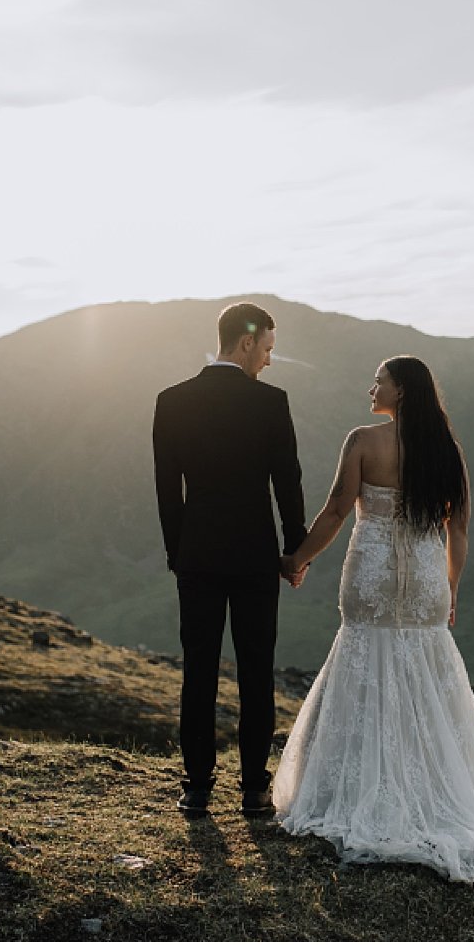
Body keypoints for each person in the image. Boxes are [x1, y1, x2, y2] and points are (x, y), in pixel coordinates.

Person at [272, 355, 474, 883]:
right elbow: (460, 528)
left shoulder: (363, 441)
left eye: (379, 380)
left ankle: (361, 792)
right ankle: (434, 792)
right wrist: (451, 589)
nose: (370, 386)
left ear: (400, 392)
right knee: (425, 677)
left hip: (371, 575)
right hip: (426, 579)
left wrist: (297, 559)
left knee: (364, 665)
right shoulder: (447, 452)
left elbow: (335, 509)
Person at [152, 302, 308, 818]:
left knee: (197, 670)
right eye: (266, 348)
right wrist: (294, 548)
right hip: (254, 558)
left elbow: (166, 490)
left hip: (196, 556)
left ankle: (196, 787)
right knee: (256, 670)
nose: (268, 360)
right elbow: (287, 480)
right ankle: (254, 789)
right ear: (245, 343)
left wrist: (179, 553)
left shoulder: (171, 401)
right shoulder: (270, 403)